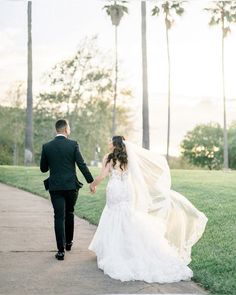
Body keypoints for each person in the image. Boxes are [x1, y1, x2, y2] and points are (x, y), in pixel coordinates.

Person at [88, 135, 208, 283]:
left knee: (113, 215)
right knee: (127, 216)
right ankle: (130, 248)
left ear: (114, 144)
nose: (108, 143)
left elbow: (102, 176)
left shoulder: (108, 157)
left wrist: (93, 184)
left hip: (115, 189)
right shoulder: (129, 157)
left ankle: (114, 250)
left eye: (109, 141)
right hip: (127, 190)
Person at [40, 119, 95, 260]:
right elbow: (81, 164)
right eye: (69, 127)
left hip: (55, 187)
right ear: (65, 130)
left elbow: (43, 169)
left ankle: (60, 251)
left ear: (56, 130)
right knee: (69, 213)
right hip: (71, 186)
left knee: (58, 217)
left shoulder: (46, 146)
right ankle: (69, 243)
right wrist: (91, 181)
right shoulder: (73, 145)